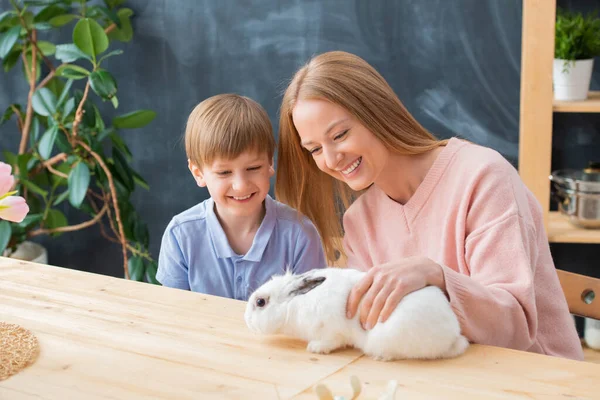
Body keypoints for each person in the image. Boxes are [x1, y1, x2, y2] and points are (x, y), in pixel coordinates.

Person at [275, 51, 583, 360]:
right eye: (314, 149)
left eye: (340, 135)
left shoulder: (483, 176)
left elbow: (513, 328)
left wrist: (434, 273)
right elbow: (371, 327)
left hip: (537, 377)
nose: (330, 160)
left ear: (376, 111)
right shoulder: (360, 222)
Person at [157, 94, 326, 301]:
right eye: (224, 173)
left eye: (253, 168)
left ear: (270, 163)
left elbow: (310, 312)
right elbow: (173, 312)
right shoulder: (180, 236)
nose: (241, 185)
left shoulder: (299, 233)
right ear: (198, 173)